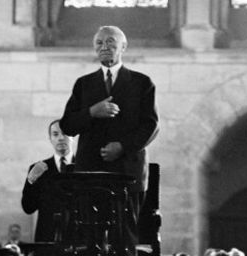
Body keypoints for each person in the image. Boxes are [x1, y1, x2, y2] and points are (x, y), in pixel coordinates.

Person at [59, 25, 159, 256]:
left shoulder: (142, 82)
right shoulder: (83, 84)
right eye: (99, 43)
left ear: (123, 47)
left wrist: (122, 147)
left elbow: (151, 125)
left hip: (126, 171)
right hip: (90, 173)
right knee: (89, 238)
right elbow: (67, 125)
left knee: (124, 238)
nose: (105, 47)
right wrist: (92, 112)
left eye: (111, 42)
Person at [21, 119, 74, 243]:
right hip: (47, 239)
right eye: (55, 134)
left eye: (65, 133)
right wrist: (30, 181)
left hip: (76, 240)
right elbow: (28, 207)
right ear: (50, 139)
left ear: (73, 136)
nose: (61, 138)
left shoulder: (83, 167)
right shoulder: (38, 169)